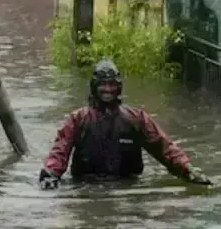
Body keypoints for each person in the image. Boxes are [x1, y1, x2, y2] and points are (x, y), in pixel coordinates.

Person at [38, 58, 212, 189]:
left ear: (119, 87)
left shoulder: (137, 119)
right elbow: (59, 151)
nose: (107, 89)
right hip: (86, 186)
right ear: (94, 87)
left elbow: (164, 147)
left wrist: (187, 170)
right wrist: (50, 175)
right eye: (103, 84)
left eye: (111, 84)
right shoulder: (78, 119)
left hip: (129, 186)